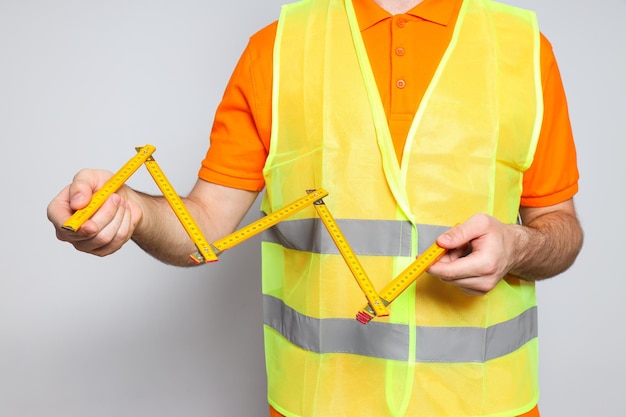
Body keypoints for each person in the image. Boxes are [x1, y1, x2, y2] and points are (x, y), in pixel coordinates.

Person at [47, 0, 583, 415]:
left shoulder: (522, 49)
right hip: (319, 404)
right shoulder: (278, 49)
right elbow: (202, 227)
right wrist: (134, 211)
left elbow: (560, 230)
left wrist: (518, 245)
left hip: (486, 404)